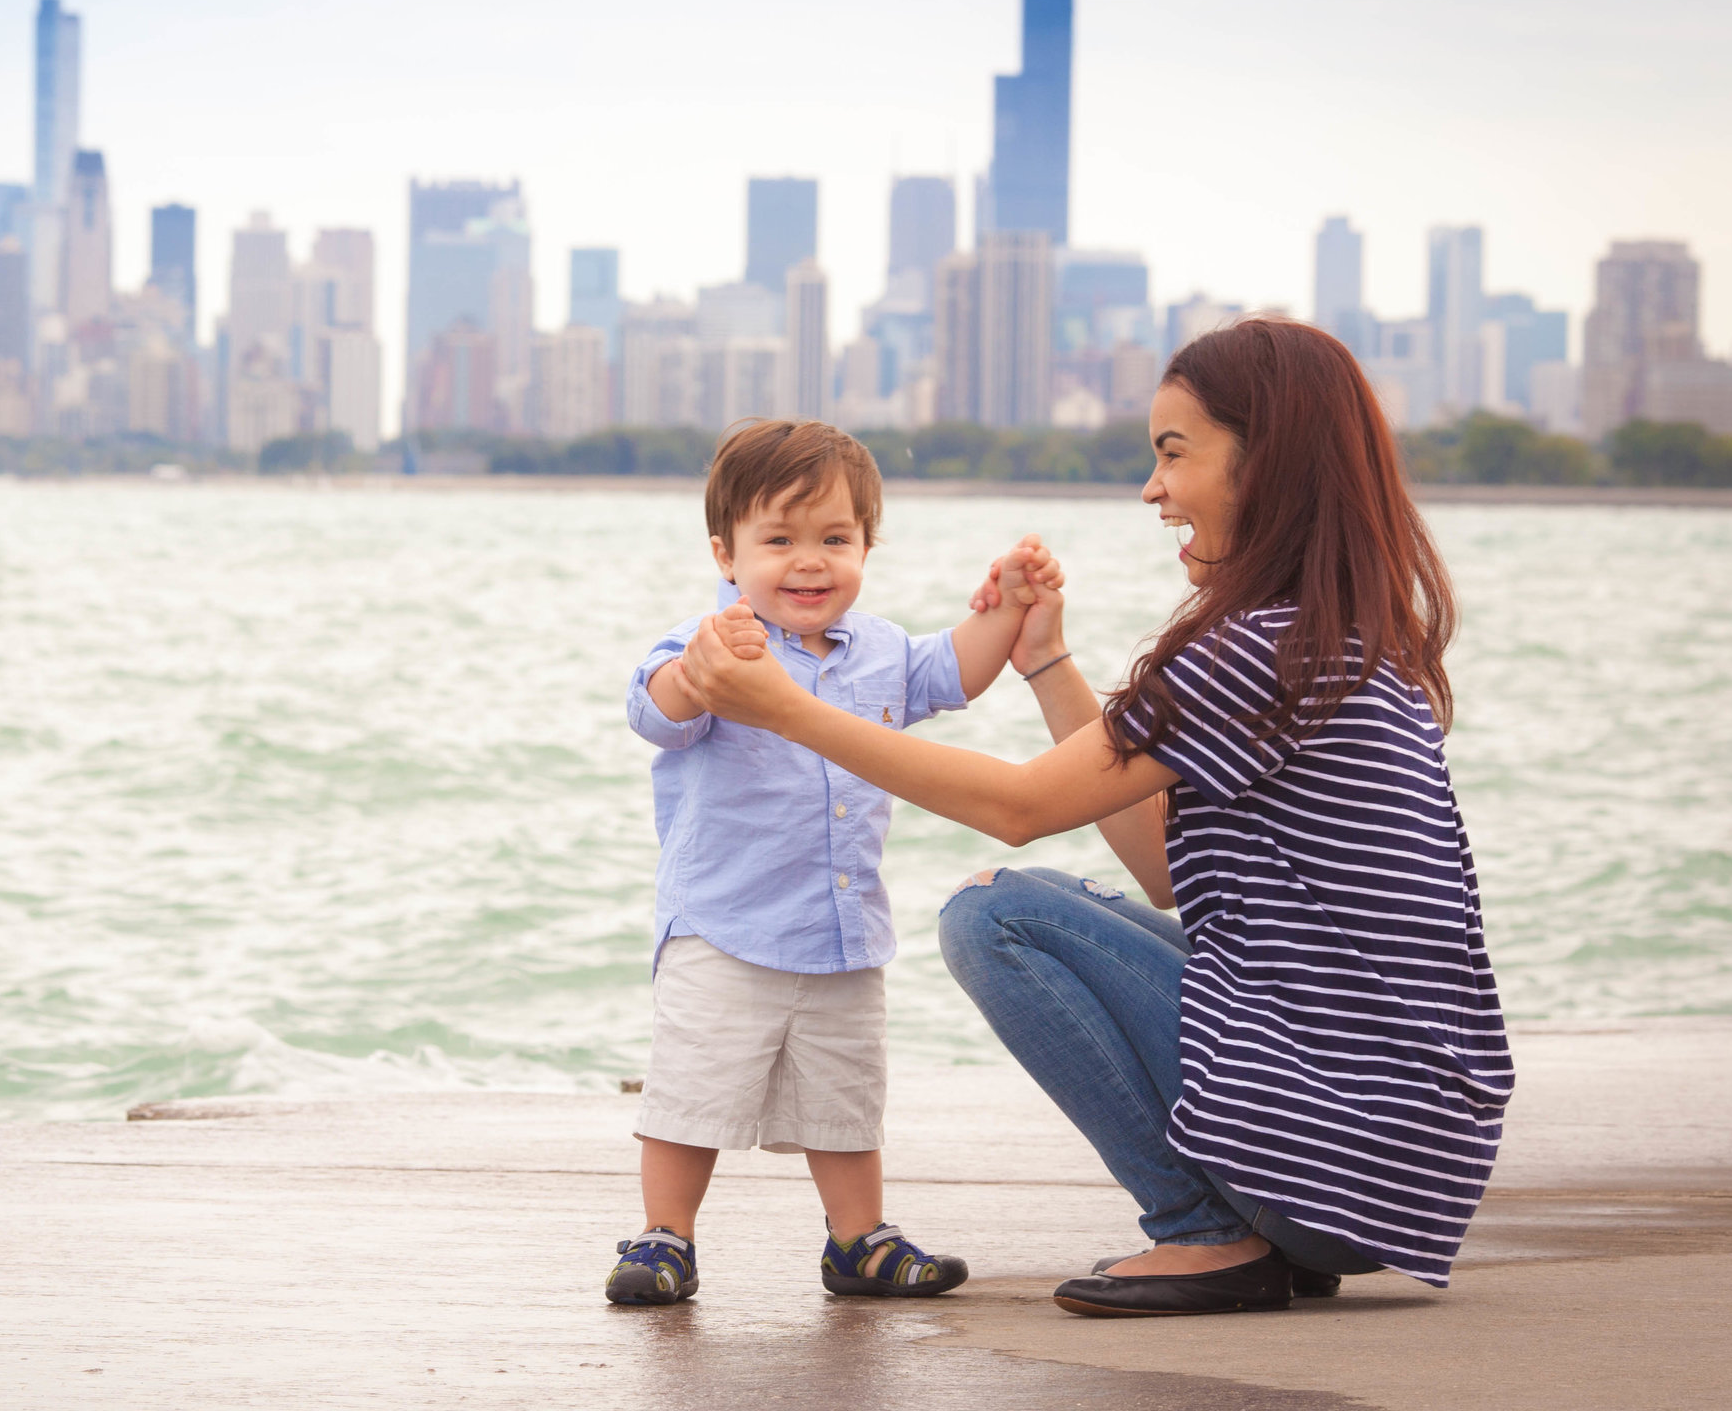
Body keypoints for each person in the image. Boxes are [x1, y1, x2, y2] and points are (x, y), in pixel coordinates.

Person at [677, 320, 1512, 1317]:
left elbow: (1018, 807)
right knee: (1054, 903)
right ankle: (1259, 1219)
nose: (1152, 490)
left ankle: (1206, 1231)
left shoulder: (1255, 650)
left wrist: (786, 709)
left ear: (1268, 463)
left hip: (1330, 1147)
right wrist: (1041, 659)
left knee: (996, 915)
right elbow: (1163, 869)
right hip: (1390, 1165)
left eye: (1172, 452)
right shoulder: (1350, 642)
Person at [606, 417, 1062, 1307]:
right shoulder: (713, 641)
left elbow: (957, 671)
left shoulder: (883, 649)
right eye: (777, 540)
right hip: (723, 925)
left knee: (846, 1099)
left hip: (843, 929)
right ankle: (667, 1235)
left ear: (866, 545)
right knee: (692, 1094)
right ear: (724, 553)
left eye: (835, 539)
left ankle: (858, 1238)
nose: (809, 561)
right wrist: (699, 674)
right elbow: (654, 708)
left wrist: (1008, 606)